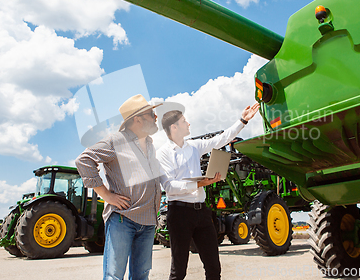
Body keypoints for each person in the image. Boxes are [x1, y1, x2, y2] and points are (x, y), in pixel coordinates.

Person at [157, 103, 260, 280]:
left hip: (202, 213)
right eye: (184, 121)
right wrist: (199, 184)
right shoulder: (163, 154)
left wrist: (243, 120)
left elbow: (222, 139)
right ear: (174, 127)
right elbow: (169, 186)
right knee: (178, 271)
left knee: (213, 268)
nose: (188, 124)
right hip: (179, 214)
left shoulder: (194, 146)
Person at [75, 94, 162, 280]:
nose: (156, 117)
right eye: (151, 114)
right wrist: (107, 196)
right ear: (137, 119)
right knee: (114, 275)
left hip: (148, 221)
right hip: (124, 219)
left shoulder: (149, 144)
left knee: (141, 276)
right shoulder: (116, 141)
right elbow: (84, 160)